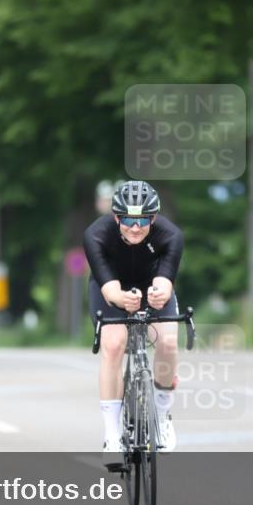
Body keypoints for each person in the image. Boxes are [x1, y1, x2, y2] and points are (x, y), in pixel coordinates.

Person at [83, 180, 183, 468]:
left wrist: (160, 292)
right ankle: (112, 435)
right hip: (110, 286)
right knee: (113, 345)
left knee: (167, 341)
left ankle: (162, 415)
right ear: (116, 217)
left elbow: (165, 281)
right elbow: (111, 291)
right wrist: (121, 299)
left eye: (142, 220)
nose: (135, 227)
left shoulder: (171, 235)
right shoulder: (96, 235)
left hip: (151, 284)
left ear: (154, 218)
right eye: (127, 220)